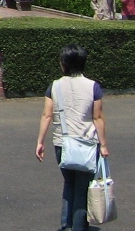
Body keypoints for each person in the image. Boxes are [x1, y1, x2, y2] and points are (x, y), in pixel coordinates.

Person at [35, 44, 109, 231]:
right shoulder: (93, 87)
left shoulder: (55, 86)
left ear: (64, 64)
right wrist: (104, 145)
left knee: (69, 183)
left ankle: (66, 225)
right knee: (82, 188)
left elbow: (47, 115)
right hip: (87, 144)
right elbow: (97, 117)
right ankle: (78, 227)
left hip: (62, 143)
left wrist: (40, 141)